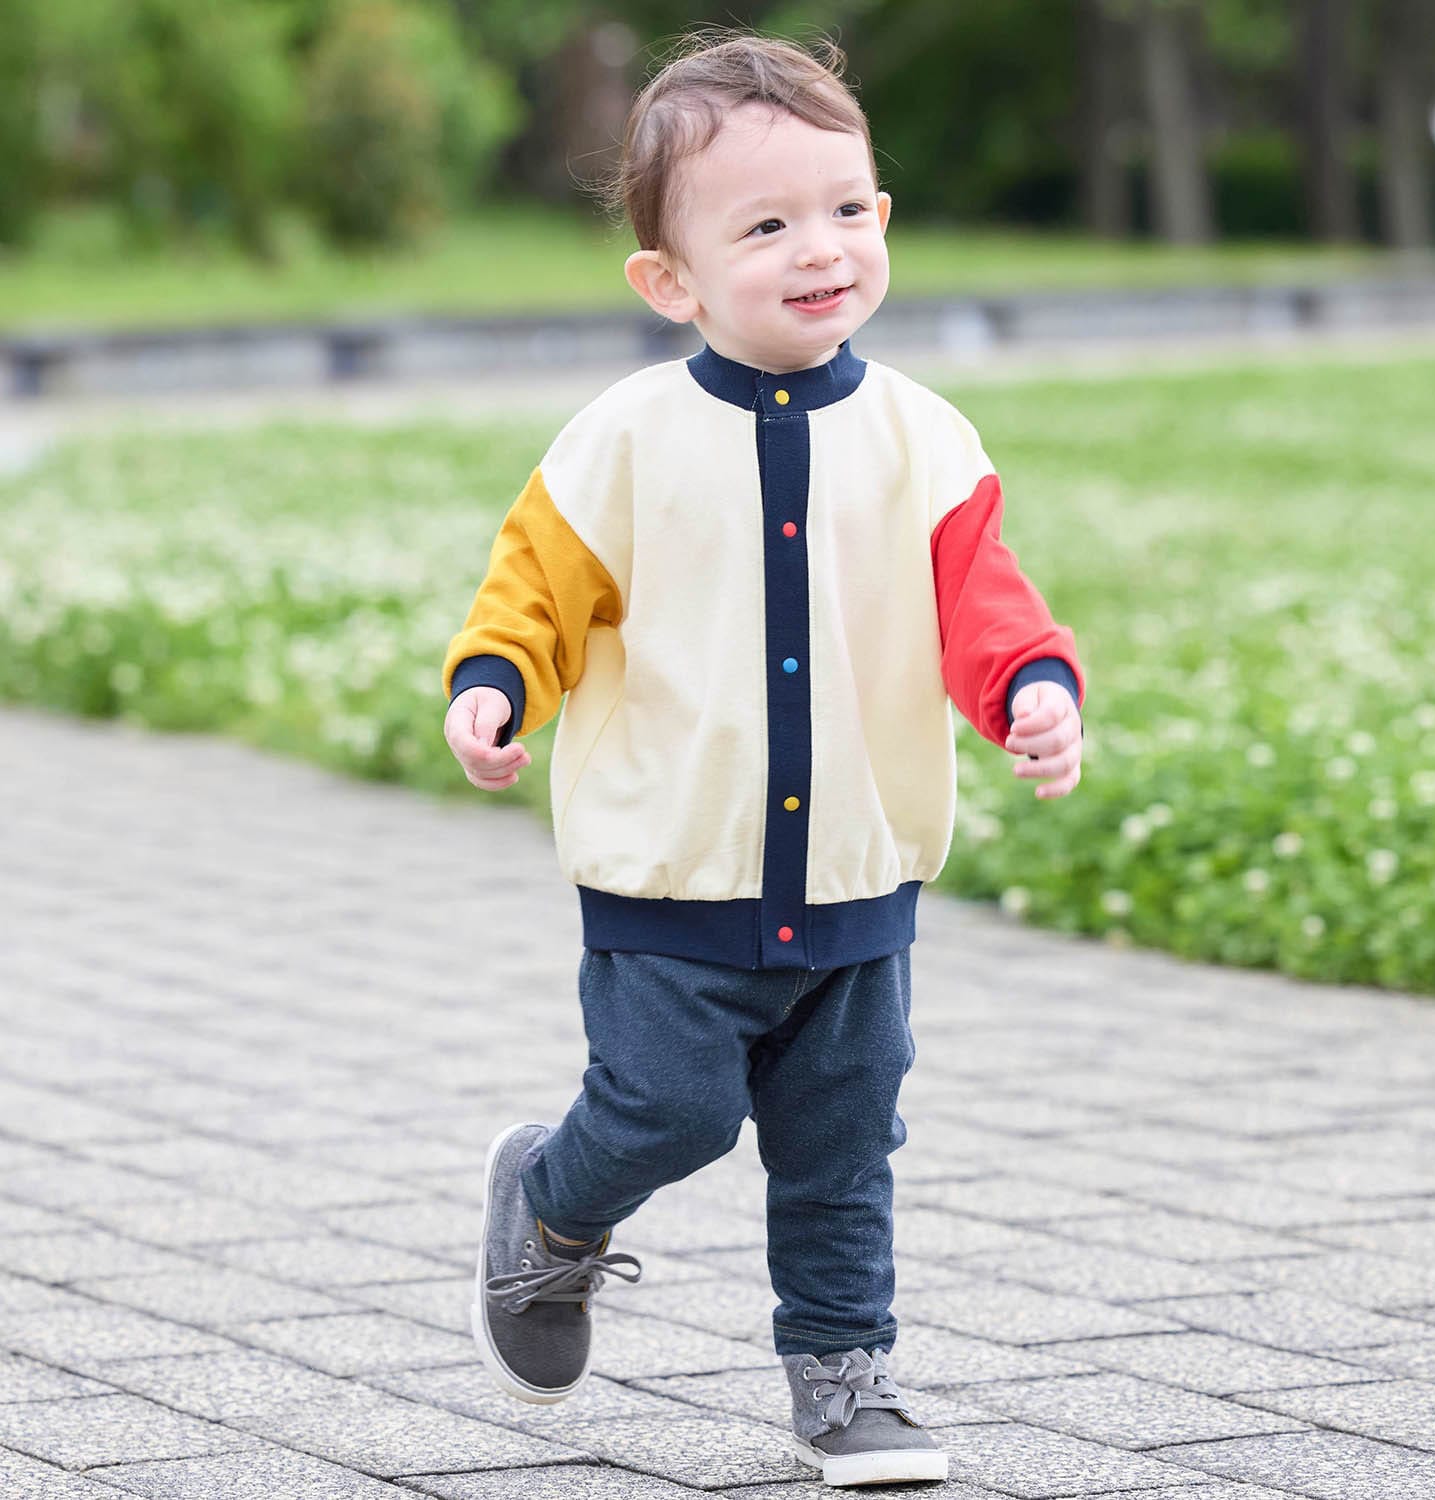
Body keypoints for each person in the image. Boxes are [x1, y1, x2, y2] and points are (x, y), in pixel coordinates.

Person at [441, 27, 1085, 1489]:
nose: (823, 248)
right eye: (770, 223)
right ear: (668, 280)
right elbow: (532, 590)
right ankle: (550, 1206)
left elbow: (985, 602)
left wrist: (1032, 686)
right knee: (670, 1110)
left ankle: (846, 1385)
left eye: (849, 210)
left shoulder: (928, 441)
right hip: (677, 874)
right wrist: (496, 682)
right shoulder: (620, 440)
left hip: (858, 880)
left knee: (844, 1144)